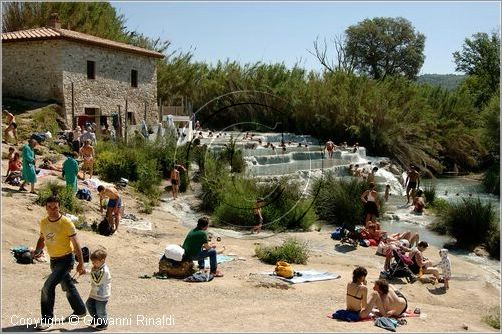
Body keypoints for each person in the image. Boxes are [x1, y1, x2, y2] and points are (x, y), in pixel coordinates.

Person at [32, 195, 87, 330]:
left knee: (47, 287)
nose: (52, 210)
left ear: (59, 207)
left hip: (66, 259)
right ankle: (80, 310)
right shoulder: (43, 222)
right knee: (67, 285)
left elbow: (77, 244)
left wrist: (81, 263)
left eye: (55, 207)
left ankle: (47, 319)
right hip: (53, 260)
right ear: (46, 208)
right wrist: (38, 250)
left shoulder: (67, 223)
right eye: (49, 207)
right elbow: (42, 238)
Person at [86, 249, 112, 330]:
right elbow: (92, 273)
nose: (94, 264)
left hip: (102, 294)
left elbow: (97, 281)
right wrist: (86, 271)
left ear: (102, 261)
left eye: (96, 263)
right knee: (89, 304)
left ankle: (104, 324)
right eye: (93, 263)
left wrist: (92, 271)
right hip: (94, 292)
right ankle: (96, 318)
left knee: (100, 310)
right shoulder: (97, 267)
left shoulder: (104, 271)